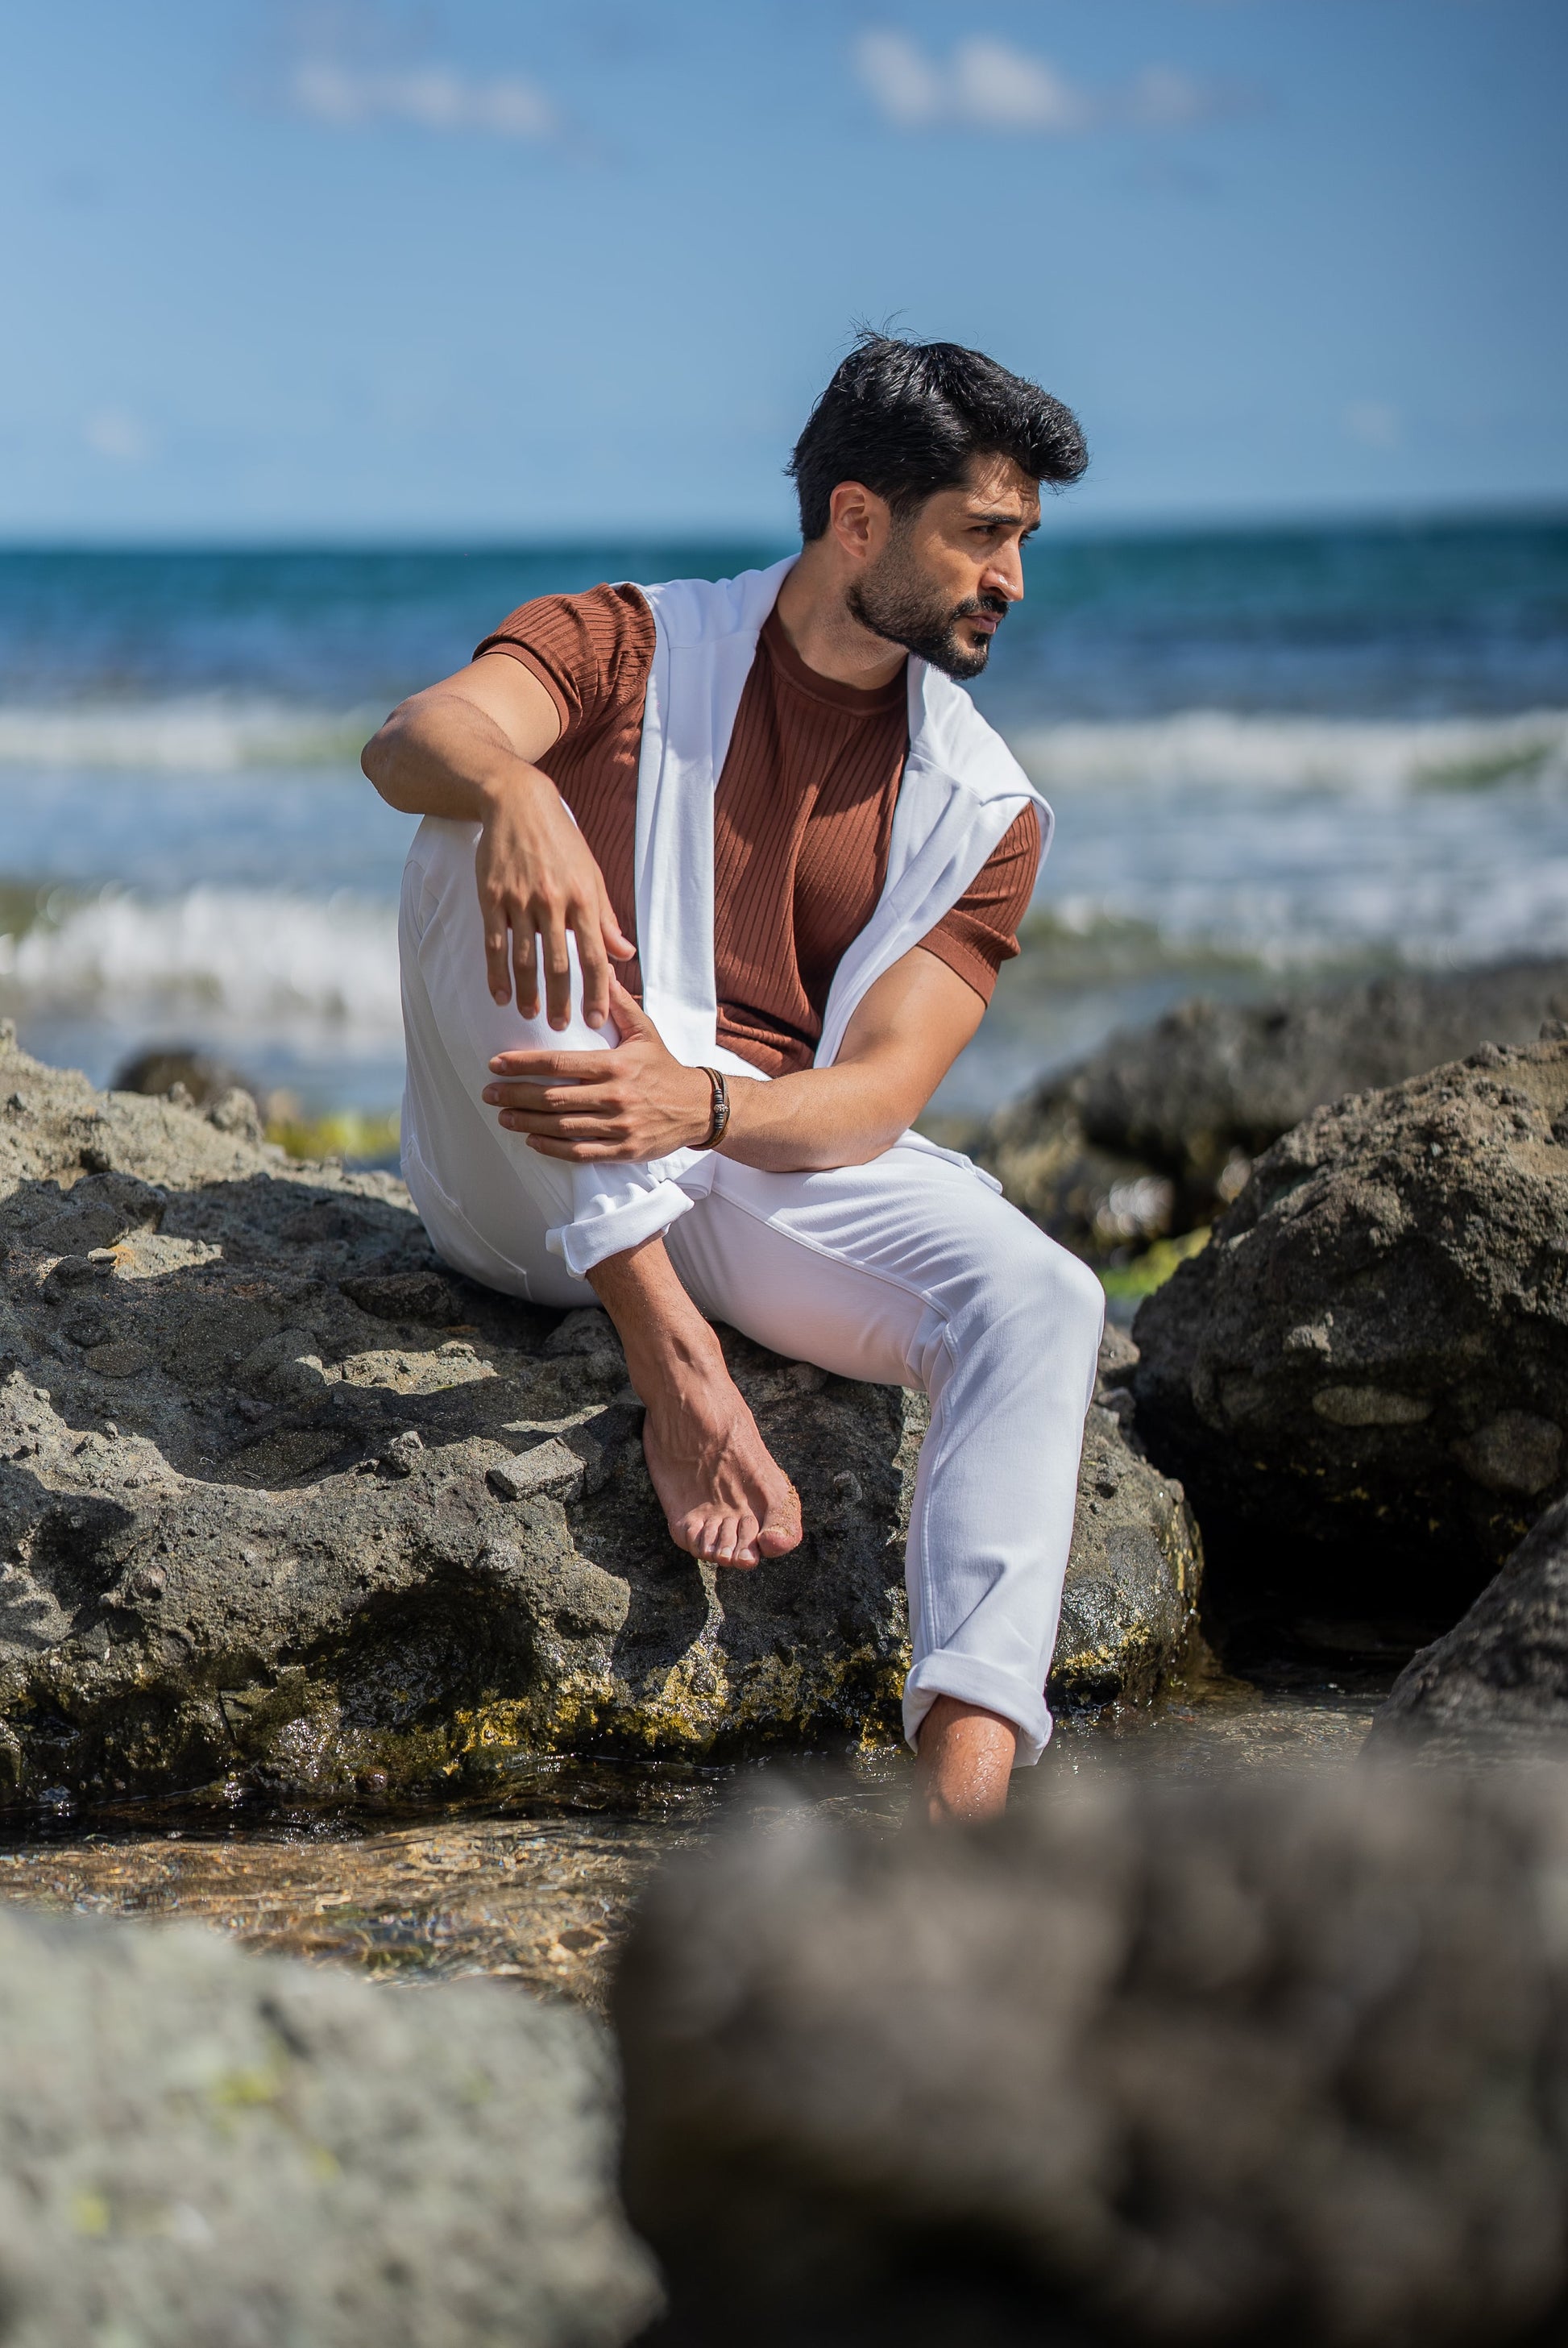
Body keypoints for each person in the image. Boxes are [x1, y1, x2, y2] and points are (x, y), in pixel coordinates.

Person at [363, 333, 1105, 1825]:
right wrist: (517, 790)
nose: (1008, 579)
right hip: (522, 1165)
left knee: (1045, 1298)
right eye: (980, 535)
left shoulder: (985, 805)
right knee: (471, 822)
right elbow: (410, 739)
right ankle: (675, 1368)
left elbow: (879, 1093)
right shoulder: (629, 645)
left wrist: (702, 1108)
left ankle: (960, 1818)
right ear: (854, 520)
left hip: (730, 1158)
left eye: (1020, 540)